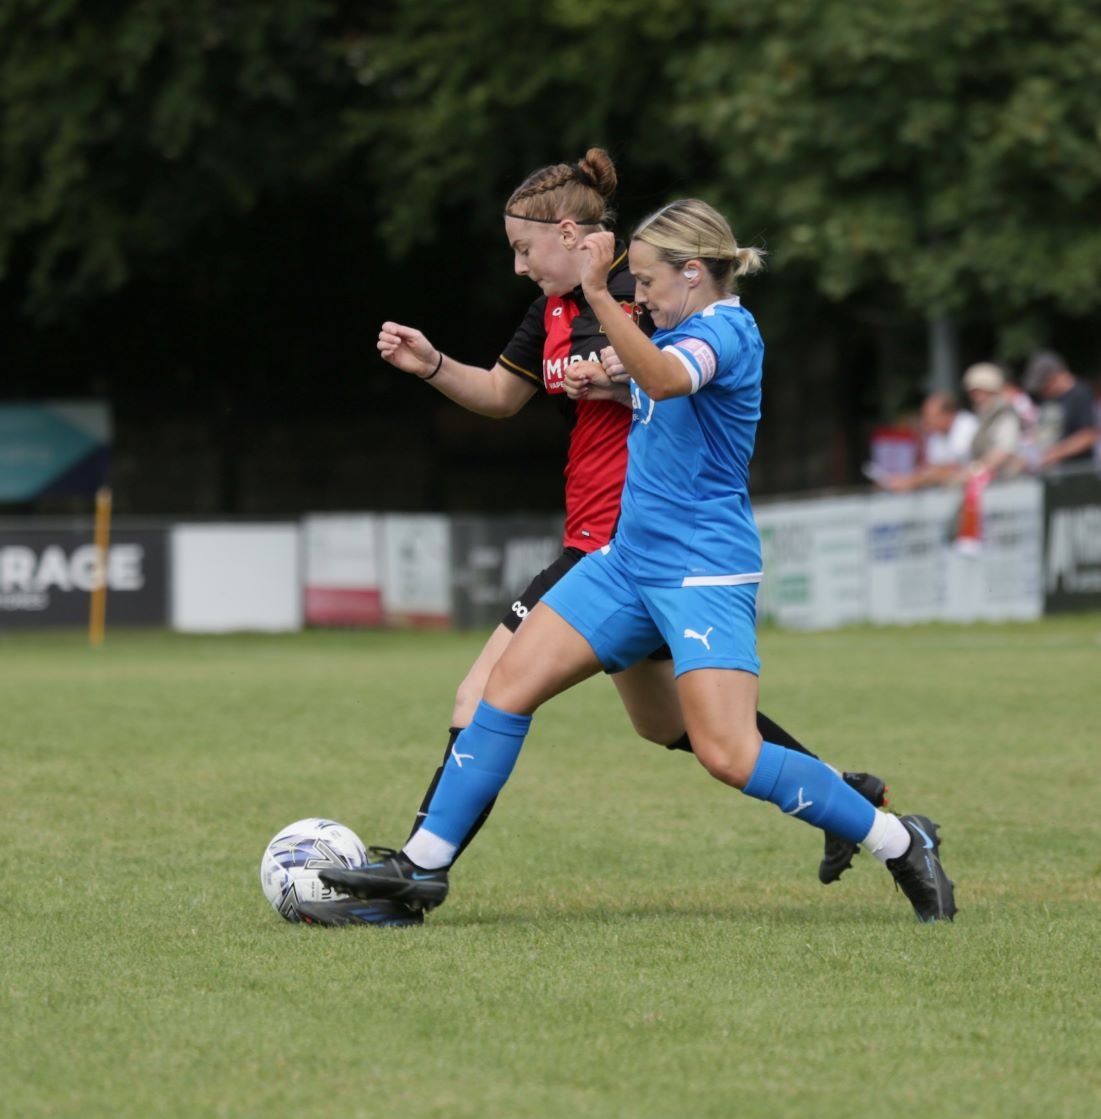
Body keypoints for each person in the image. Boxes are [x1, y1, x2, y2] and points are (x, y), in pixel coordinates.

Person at [315, 199, 956, 926]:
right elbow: (658, 393)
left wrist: (598, 300)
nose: (637, 294)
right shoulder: (675, 329)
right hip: (625, 561)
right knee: (506, 686)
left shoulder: (727, 331)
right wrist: (612, 385)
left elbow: (670, 381)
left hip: (700, 571)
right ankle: (421, 866)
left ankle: (899, 839)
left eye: (645, 281)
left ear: (691, 274)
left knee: (726, 751)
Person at [877, 391, 978, 491]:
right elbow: (933, 467)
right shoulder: (936, 434)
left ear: (948, 414)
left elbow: (954, 468)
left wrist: (911, 481)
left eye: (931, 416)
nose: (927, 421)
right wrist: (907, 479)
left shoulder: (966, 425)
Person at [1020, 350, 1098, 471]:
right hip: (1052, 472)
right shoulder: (1049, 399)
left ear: (1055, 377)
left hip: (1077, 472)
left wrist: (1053, 454)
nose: (1042, 392)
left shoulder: (1080, 394)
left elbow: (1088, 435)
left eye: (1044, 385)